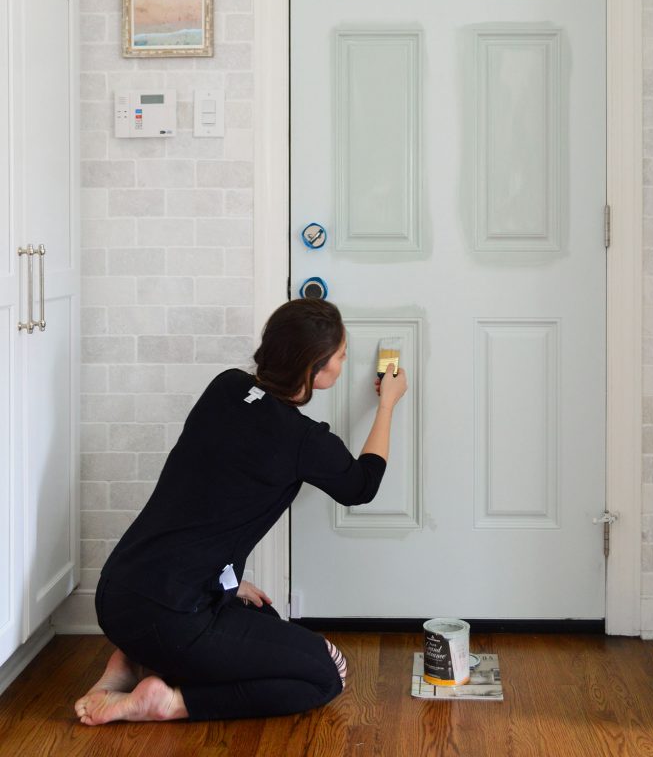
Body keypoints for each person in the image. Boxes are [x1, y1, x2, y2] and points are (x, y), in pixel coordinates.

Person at [74, 298, 407, 725]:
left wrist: (227, 580)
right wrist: (388, 404)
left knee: (260, 613)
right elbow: (362, 486)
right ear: (315, 369)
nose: (344, 362)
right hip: (169, 615)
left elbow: (209, 499)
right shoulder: (302, 441)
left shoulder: (225, 387)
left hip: (117, 594)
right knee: (328, 673)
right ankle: (168, 702)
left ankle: (131, 658)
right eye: (341, 356)